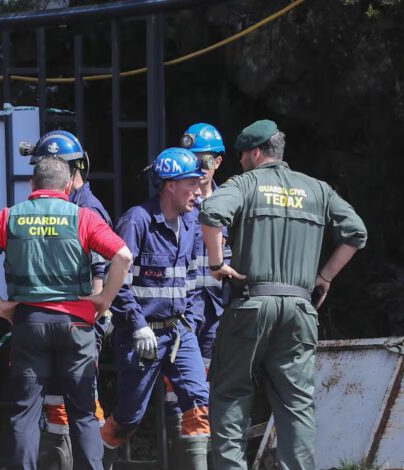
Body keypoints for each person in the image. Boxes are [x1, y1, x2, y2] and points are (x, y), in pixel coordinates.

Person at [199, 120, 368, 470]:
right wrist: (325, 276)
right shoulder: (317, 189)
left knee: (230, 394)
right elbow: (357, 233)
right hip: (300, 308)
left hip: (251, 305)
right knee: (297, 404)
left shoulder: (244, 184)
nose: (241, 161)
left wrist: (217, 263)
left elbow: (211, 212)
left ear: (257, 152)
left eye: (243, 154)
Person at [0, 155, 132, 470]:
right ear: (68, 185)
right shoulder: (83, 217)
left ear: (32, 184)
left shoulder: (8, 217)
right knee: (82, 412)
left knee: (25, 412)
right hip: (76, 326)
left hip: (29, 324)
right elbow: (123, 256)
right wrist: (104, 300)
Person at [101, 148, 211, 470]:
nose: (197, 189)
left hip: (179, 333)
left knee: (198, 400)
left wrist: (189, 320)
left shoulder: (191, 223)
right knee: (130, 415)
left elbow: (190, 276)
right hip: (141, 336)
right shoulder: (137, 221)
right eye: (190, 183)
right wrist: (137, 325)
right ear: (169, 185)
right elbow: (117, 282)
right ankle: (96, 457)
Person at [20, 130, 112, 469]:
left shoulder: (87, 210)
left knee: (79, 408)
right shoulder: (67, 207)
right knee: (65, 407)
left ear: (74, 171)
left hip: (78, 322)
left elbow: (106, 266)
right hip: (67, 322)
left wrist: (97, 309)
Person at [162, 123, 234, 468]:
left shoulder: (229, 202)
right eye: (192, 159)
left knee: (206, 386)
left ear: (218, 162)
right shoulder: (181, 202)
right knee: (177, 390)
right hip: (184, 305)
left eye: (204, 160)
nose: (199, 167)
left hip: (218, 305)